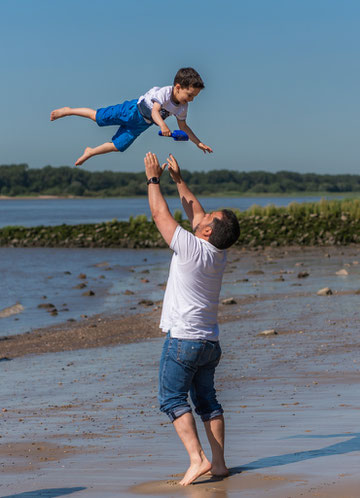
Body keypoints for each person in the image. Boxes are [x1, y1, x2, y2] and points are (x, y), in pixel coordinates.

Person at [144, 151, 240, 486]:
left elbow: (160, 214)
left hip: (184, 340)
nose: (201, 213)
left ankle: (197, 458)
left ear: (206, 231)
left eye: (208, 217)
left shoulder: (190, 247)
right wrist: (178, 179)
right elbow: (194, 209)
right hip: (209, 342)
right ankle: (219, 464)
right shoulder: (217, 251)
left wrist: (153, 179)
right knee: (207, 402)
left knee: (171, 399)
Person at [50, 68, 213, 166]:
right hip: (131, 110)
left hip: (141, 125)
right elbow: (155, 111)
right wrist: (163, 126)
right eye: (189, 95)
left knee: (118, 146)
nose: (191, 100)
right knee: (97, 117)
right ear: (178, 87)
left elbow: (184, 127)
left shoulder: (183, 107)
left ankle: (90, 152)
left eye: (194, 97)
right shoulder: (165, 93)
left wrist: (198, 143)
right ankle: (68, 111)